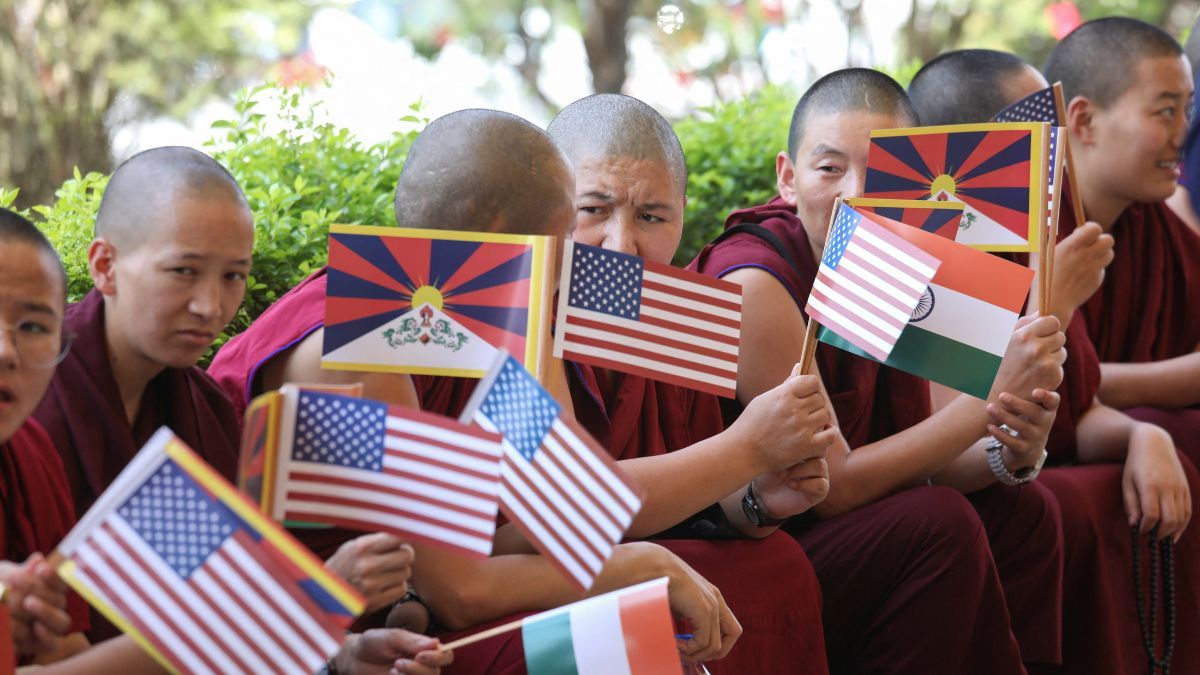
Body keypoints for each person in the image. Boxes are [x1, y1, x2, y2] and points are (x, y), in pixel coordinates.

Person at [210, 109, 751, 672]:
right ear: (499, 235)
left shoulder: (470, 314)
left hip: (417, 600)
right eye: (566, 232)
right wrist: (642, 568)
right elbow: (461, 595)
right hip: (303, 641)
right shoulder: (366, 342)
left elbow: (561, 508)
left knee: (645, 628)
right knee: (630, 642)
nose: (582, 261)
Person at [689, 67, 1069, 673]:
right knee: (937, 522)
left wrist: (1010, 446)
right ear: (788, 178)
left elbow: (939, 450)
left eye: (882, 172)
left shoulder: (890, 261)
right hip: (766, 541)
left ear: (918, 184)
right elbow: (832, 489)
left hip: (853, 531)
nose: (855, 193)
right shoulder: (756, 281)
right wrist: (986, 400)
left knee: (1025, 511)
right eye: (829, 168)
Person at [0, 207, 453, 674]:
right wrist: (299, 604)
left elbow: (191, 605)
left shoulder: (200, 409)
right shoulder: (43, 413)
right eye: (183, 271)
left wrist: (339, 657)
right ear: (104, 266)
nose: (209, 305)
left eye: (234, 276)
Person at [909, 46, 1199, 674]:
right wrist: (1057, 305)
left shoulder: (1021, 239)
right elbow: (938, 458)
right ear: (968, 154)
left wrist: (1143, 435)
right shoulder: (928, 249)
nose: (1057, 156)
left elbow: (1077, 407)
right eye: (1040, 134)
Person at [1044, 17, 1200, 466]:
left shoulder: (1153, 228)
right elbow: (1030, 388)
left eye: (1188, 110)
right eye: (1166, 111)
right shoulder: (1026, 230)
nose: (1184, 135)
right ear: (1085, 120)